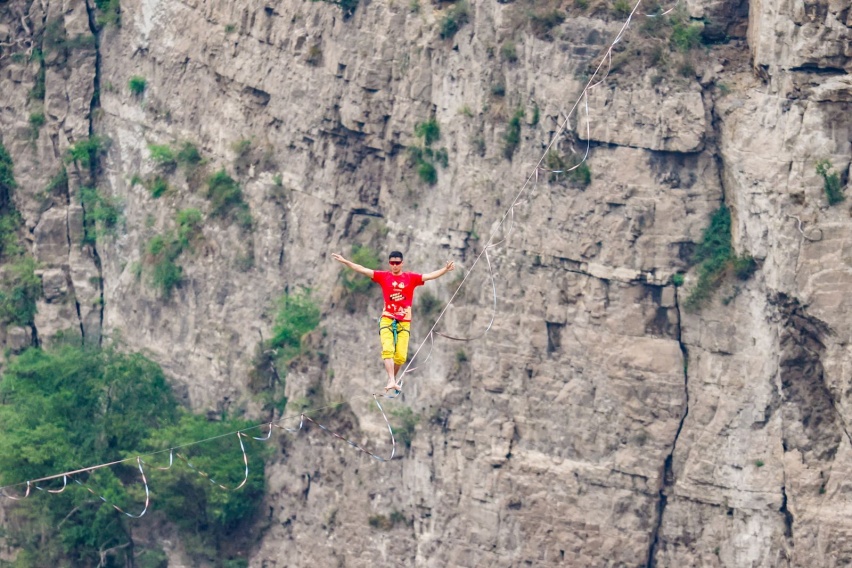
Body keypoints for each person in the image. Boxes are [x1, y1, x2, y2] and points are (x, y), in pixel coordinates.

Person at [332, 250, 455, 392]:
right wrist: (346, 261)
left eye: (397, 263)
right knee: (387, 349)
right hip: (387, 318)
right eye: (392, 263)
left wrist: (445, 270)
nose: (395, 265)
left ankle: (392, 379)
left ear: (402, 263)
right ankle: (391, 379)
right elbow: (362, 269)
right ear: (389, 264)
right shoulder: (384, 276)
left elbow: (429, 276)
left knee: (401, 357)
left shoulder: (410, 278)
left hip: (404, 320)